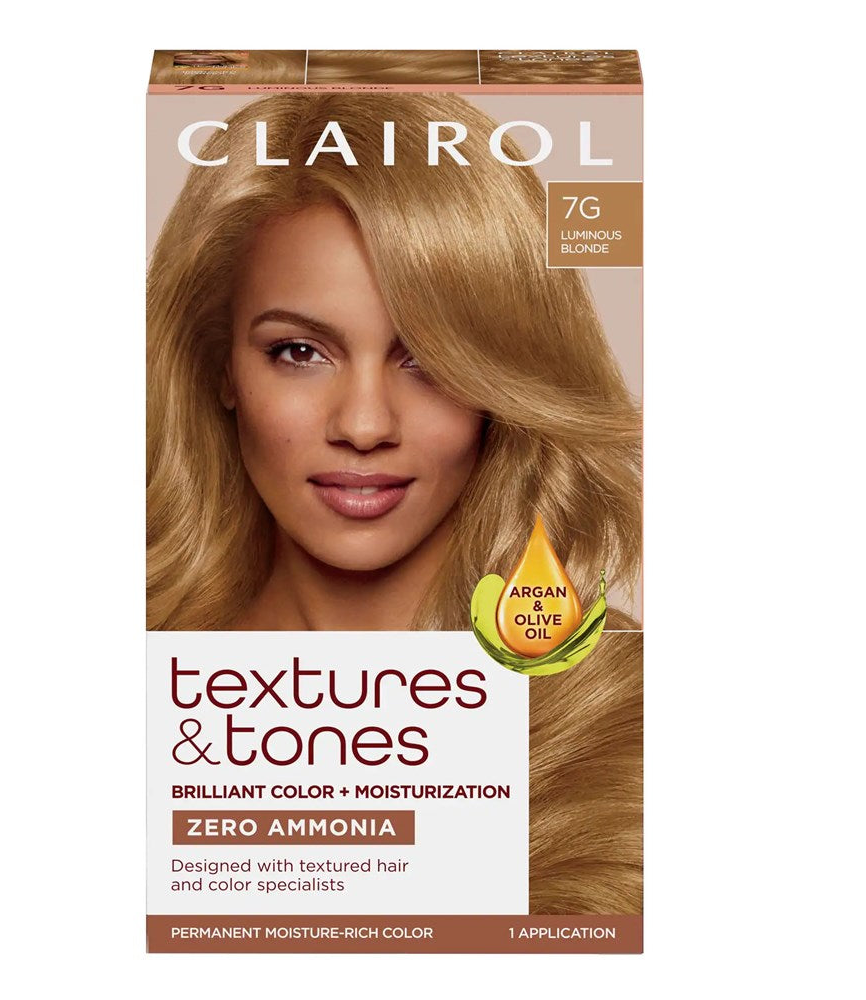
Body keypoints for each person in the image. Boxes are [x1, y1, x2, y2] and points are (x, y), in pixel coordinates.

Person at [147, 92, 642, 913]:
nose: (366, 425)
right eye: (298, 351)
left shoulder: (624, 712)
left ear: (500, 382)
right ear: (219, 366)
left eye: (429, 360)